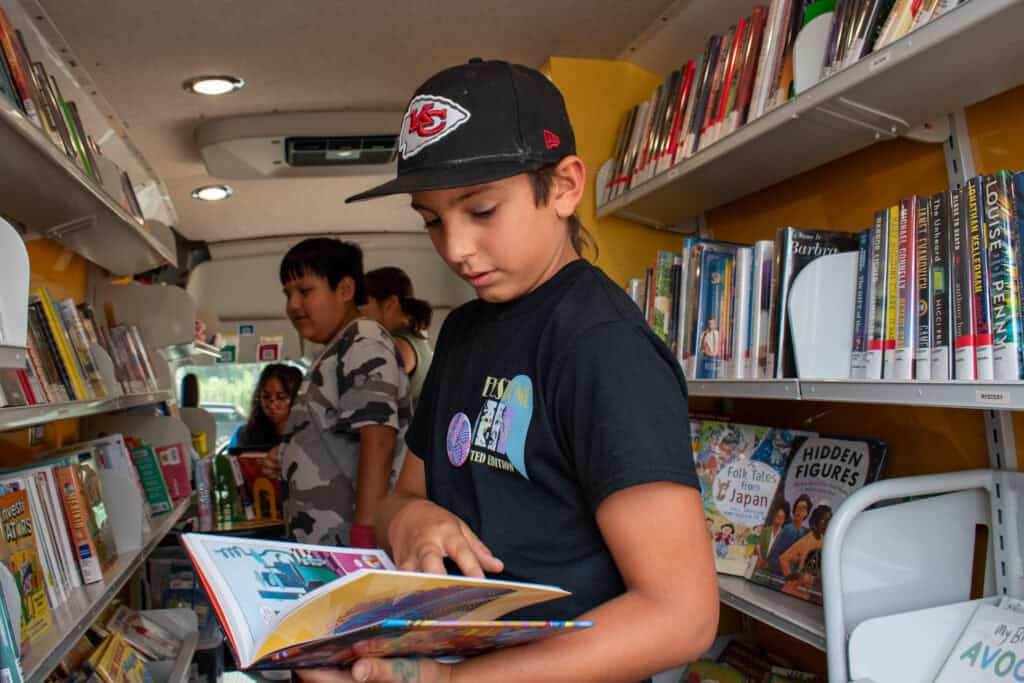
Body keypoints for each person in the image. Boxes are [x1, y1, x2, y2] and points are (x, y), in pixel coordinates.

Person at [305, 58, 717, 683]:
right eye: (432, 220)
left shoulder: (601, 345)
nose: (455, 248)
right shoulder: (466, 330)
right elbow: (401, 499)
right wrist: (414, 519)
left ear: (564, 186)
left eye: (482, 211)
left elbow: (682, 616)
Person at [278, 238, 411, 549]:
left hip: (347, 543)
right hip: (326, 540)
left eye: (305, 291)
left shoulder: (362, 340)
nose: (292, 305)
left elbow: (378, 439)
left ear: (345, 290)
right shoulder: (337, 348)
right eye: (288, 294)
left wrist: (365, 536)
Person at [362, 267, 434, 411]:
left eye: (364, 302)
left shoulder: (398, 345)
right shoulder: (415, 339)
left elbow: (373, 405)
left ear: (390, 303)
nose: (359, 311)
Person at [230, 363, 303, 450]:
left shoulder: (309, 435)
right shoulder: (246, 434)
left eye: (281, 397)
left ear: (296, 399)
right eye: (266, 397)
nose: (272, 405)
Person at [767, 493, 812, 574]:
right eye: (797, 508)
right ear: (794, 510)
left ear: (807, 513)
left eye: (803, 509)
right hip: (779, 571)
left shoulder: (803, 533)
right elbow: (774, 556)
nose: (799, 511)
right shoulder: (787, 529)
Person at [751, 499, 790, 572]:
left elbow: (782, 555)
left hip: (772, 570)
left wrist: (769, 563)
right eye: (777, 516)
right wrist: (760, 559)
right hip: (756, 566)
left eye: (782, 517)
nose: (779, 519)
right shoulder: (763, 531)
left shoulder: (785, 536)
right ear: (773, 516)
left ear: (784, 519)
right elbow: (756, 546)